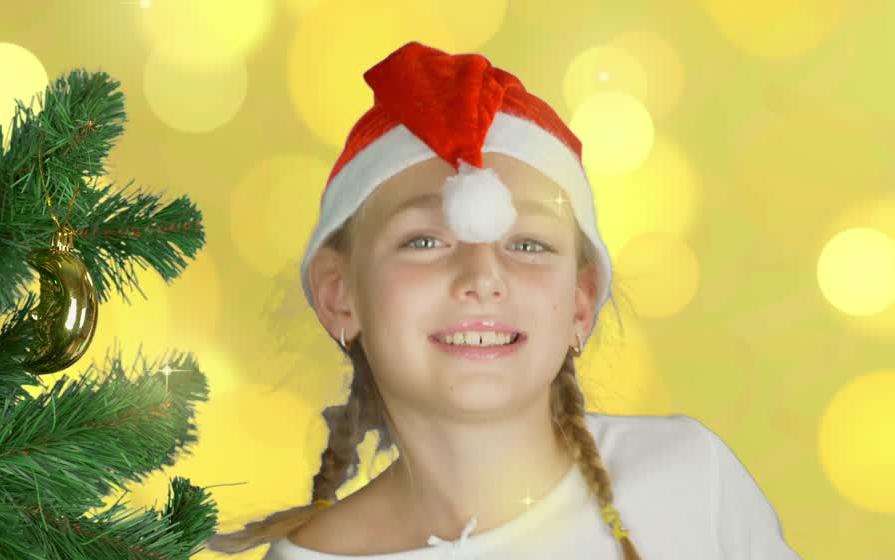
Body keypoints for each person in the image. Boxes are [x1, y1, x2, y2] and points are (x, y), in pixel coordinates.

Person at [205, 42, 801, 559]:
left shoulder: (688, 479)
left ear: (579, 302)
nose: (482, 276)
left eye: (528, 243)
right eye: (424, 240)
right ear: (341, 296)